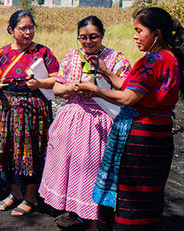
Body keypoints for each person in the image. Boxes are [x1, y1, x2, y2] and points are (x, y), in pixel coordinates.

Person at [75, 7, 184, 230]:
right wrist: (106, 73)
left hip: (140, 139)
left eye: (139, 30)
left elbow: (129, 97)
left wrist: (94, 89)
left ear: (157, 33)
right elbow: (132, 89)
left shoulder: (151, 62)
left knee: (130, 195)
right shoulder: (167, 57)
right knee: (148, 193)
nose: (134, 35)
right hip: (158, 135)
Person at [38, 16, 131, 230]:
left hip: (100, 122)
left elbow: (125, 91)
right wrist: (73, 88)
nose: (88, 42)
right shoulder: (71, 57)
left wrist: (100, 84)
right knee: (70, 168)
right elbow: (58, 89)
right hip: (71, 120)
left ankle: (94, 222)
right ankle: (76, 212)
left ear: (102, 35)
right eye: (83, 38)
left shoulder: (116, 59)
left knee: (93, 172)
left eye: (93, 37)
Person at [0, 10, 59, 216]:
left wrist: (39, 83)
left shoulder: (43, 53)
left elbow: (57, 78)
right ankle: (14, 193)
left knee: (31, 151)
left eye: (31, 27)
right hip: (6, 108)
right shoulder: (2, 53)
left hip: (33, 109)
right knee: (8, 150)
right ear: (11, 30)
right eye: (23, 28)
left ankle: (30, 197)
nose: (28, 32)